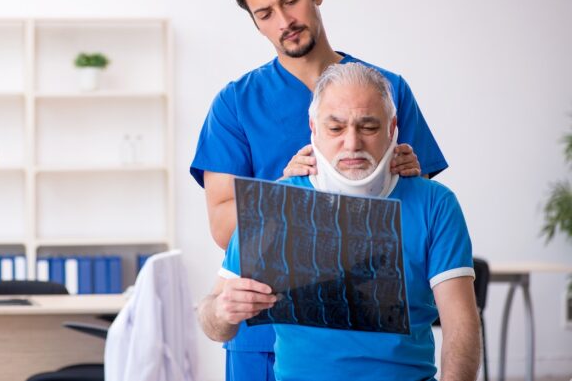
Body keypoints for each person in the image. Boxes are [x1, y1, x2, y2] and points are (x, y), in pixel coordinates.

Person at [190, 0, 448, 380]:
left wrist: (405, 175)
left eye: (291, 0)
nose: (285, 21)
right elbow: (221, 227)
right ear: (256, 25)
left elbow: (416, 215)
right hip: (263, 335)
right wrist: (283, 197)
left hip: (367, 337)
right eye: (265, 14)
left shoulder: (385, 92)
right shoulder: (234, 106)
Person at [199, 63, 481, 381]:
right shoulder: (274, 206)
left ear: (392, 129)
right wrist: (223, 309)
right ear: (314, 129)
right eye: (336, 128)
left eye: (368, 127)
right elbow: (211, 320)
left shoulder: (435, 204)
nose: (352, 144)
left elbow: (461, 325)